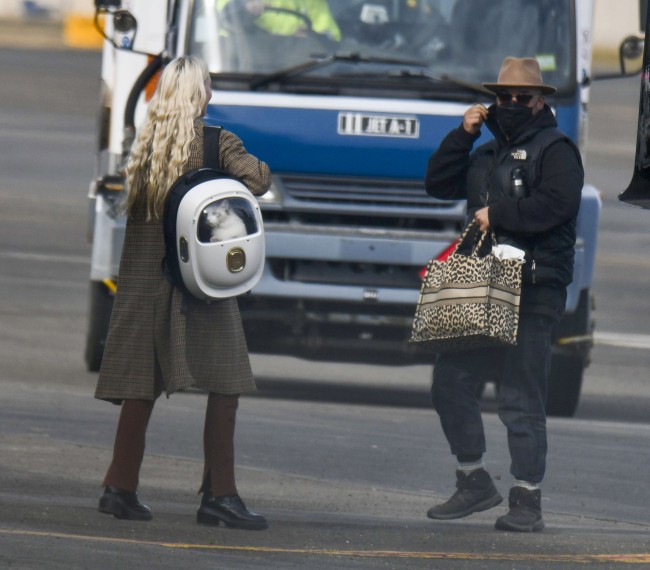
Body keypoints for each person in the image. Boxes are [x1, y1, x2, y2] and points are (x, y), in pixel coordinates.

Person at [95, 55, 272, 531]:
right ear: (200, 93)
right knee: (227, 384)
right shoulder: (218, 142)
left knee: (140, 388)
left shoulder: (145, 146)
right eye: (208, 84)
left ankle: (119, 487)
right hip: (199, 285)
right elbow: (259, 180)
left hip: (144, 286)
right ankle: (221, 495)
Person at [423, 57, 583, 532]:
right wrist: (463, 134)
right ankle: (473, 482)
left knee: (520, 397)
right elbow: (437, 183)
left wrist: (500, 214)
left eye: (521, 99)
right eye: (504, 98)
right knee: (449, 383)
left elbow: (558, 204)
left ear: (539, 102)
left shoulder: (557, 149)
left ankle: (526, 501)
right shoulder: (485, 153)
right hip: (481, 284)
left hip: (534, 289)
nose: (512, 105)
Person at [217, 0, 341, 41]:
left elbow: (331, 38)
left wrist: (312, 37)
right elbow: (225, 18)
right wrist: (245, 9)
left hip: (298, 72)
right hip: (239, 73)